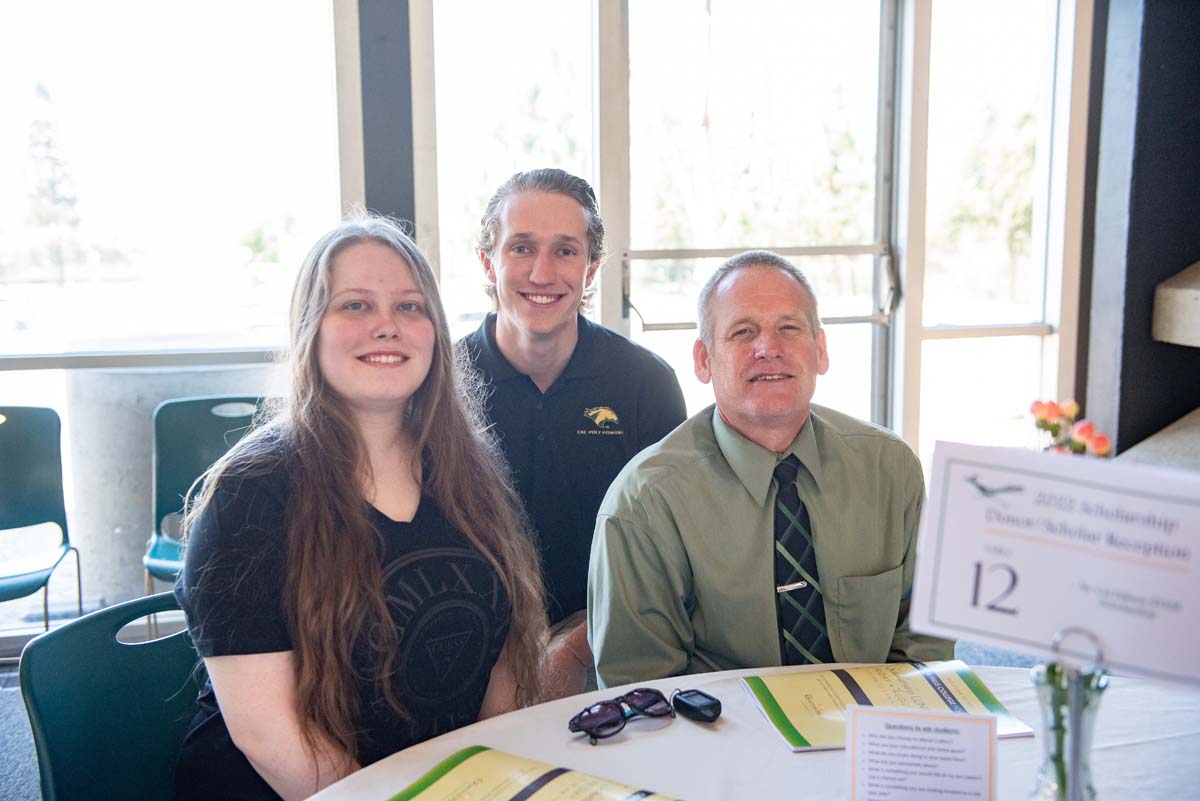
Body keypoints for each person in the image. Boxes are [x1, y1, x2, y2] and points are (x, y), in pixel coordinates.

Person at [175, 214, 547, 800]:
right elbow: (272, 737)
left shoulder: (468, 467)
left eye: (409, 306)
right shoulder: (250, 492)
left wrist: (490, 783)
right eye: (355, 305)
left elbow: (504, 659)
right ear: (310, 329)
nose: (386, 326)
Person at [587, 250, 953, 688]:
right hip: (717, 729)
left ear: (820, 351)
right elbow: (641, 689)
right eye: (743, 332)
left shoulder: (890, 469)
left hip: (874, 722)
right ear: (704, 360)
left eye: (789, 328)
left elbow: (924, 649)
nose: (768, 349)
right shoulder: (644, 503)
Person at [459, 168, 687, 692]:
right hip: (469, 653)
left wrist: (577, 649)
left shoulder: (645, 384)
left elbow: (673, 556)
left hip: (606, 646)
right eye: (521, 248)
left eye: (565, 251)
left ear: (591, 269)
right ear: (488, 262)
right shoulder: (438, 386)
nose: (542, 273)